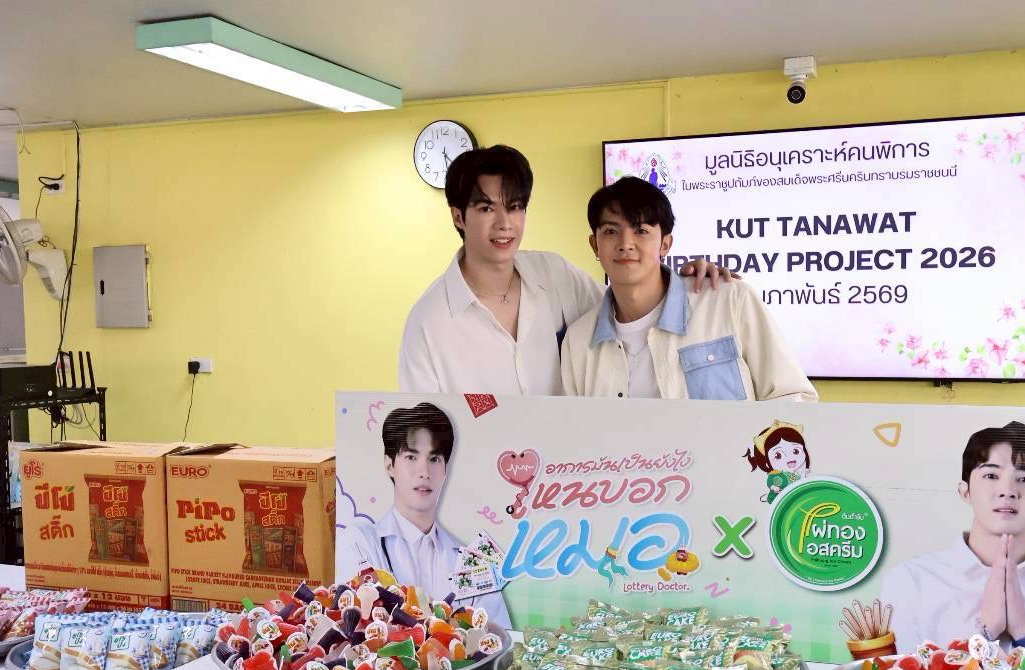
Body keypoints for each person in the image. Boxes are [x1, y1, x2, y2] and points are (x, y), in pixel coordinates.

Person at [398, 146, 734, 396]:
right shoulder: (428, 322)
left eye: (515, 207)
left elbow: (627, 312)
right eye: (487, 208)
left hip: (573, 467)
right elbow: (425, 430)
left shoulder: (553, 274)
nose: (504, 224)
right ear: (459, 216)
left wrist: (681, 283)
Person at [559, 176, 817, 401]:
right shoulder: (579, 340)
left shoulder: (729, 301)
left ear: (665, 244)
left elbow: (793, 398)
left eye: (641, 230)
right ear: (595, 245)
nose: (626, 244)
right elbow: (573, 431)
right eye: (611, 231)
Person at [879, 421, 1025, 666]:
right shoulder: (910, 582)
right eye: (991, 475)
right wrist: (984, 634)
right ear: (965, 491)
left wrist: (1024, 635)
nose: (1008, 490)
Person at [337, 402, 512, 628]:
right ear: (389, 464)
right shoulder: (360, 541)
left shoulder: (471, 563)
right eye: (411, 457)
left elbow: (500, 638)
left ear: (445, 469)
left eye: (434, 459)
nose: (424, 472)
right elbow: (354, 626)